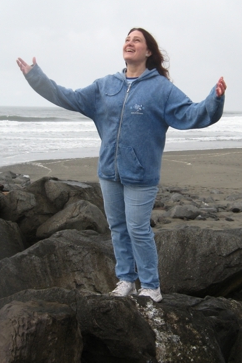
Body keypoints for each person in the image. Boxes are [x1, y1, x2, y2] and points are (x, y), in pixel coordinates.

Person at [17, 28, 226, 302]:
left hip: (141, 174)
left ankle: (151, 286)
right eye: (127, 39)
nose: (130, 42)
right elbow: (68, 97)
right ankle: (126, 280)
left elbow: (191, 114)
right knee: (117, 228)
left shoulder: (160, 88)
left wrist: (215, 99)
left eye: (136, 40)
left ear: (148, 51)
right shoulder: (106, 86)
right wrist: (36, 77)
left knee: (138, 229)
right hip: (109, 171)